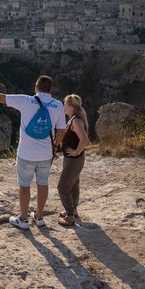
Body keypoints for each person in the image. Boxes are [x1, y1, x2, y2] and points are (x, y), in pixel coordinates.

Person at [0, 75, 66, 229]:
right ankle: (39, 217)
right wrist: (55, 146)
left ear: (36, 87)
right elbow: (61, 132)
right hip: (46, 153)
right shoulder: (58, 105)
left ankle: (23, 219)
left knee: (24, 186)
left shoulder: (26, 100)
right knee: (43, 184)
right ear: (50, 90)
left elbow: (1, 98)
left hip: (26, 153)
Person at [57, 94, 90, 227]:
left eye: (65, 105)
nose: (64, 107)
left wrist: (77, 151)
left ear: (71, 106)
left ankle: (70, 216)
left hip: (74, 159)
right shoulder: (73, 118)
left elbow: (85, 140)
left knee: (62, 187)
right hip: (72, 158)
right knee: (74, 184)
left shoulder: (76, 121)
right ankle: (73, 210)